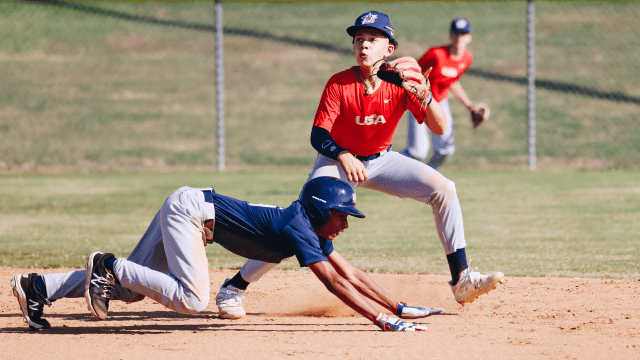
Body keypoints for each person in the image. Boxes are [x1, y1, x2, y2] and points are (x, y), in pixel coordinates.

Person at [214, 11, 504, 320]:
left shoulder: (400, 83)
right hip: (337, 160)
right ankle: (234, 287)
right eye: (359, 39)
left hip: (382, 160)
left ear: (388, 50)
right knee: (301, 223)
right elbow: (318, 134)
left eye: (373, 39)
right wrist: (342, 154)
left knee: (444, 188)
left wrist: (425, 95)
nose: (364, 45)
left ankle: (461, 280)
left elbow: (440, 128)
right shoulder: (340, 83)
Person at [10, 177, 442, 332]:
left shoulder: (307, 228)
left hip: (188, 207)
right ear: (321, 211)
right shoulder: (299, 226)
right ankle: (109, 264)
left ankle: (36, 288)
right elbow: (331, 282)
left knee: (127, 293)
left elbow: (350, 274)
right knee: (192, 300)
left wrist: (397, 307)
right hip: (191, 214)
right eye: (342, 214)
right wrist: (381, 321)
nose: (346, 222)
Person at [399, 17, 478, 169]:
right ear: (450, 36)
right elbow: (412, 71)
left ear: (469, 37)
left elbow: (451, 82)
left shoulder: (467, 58)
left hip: (440, 103)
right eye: (456, 33)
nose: (459, 38)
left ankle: (426, 177)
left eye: (463, 34)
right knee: (418, 151)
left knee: (446, 149)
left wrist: (469, 105)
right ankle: (379, 163)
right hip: (419, 102)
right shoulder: (436, 54)